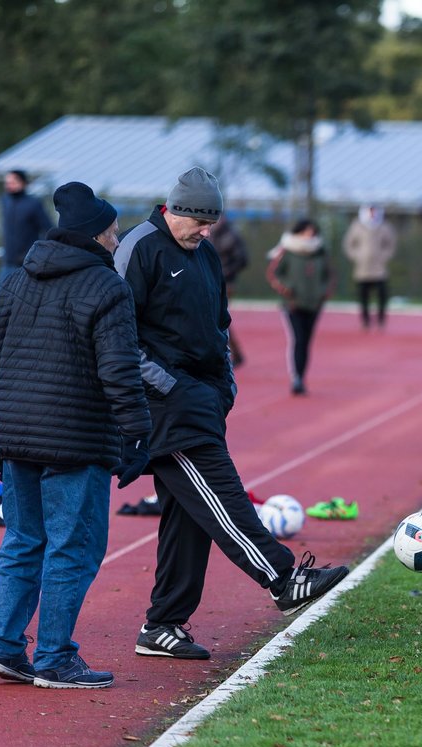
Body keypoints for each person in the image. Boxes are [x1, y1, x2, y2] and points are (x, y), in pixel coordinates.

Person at [116, 167, 349, 661]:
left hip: (202, 398)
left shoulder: (203, 255)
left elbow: (221, 325)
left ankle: (162, 625)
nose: (207, 233)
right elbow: (119, 337)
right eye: (201, 223)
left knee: (190, 516)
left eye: (213, 224)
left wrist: (223, 385)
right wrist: (172, 386)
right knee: (221, 491)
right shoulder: (139, 248)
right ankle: (284, 579)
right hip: (163, 405)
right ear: (176, 211)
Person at [0, 181, 151, 689]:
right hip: (77, 443)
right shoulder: (107, 288)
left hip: (17, 440)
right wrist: (137, 436)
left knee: (21, 541)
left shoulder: (16, 282)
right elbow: (120, 372)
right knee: (73, 547)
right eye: (115, 234)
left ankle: (5, 649)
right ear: (96, 236)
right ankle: (53, 658)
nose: (118, 243)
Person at [266, 218, 335, 396]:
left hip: (314, 304)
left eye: (312, 232)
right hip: (293, 304)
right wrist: (286, 289)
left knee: (306, 342)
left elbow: (330, 275)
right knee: (297, 339)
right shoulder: (286, 250)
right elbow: (273, 273)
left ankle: (302, 377)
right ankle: (295, 378)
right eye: (305, 231)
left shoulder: (321, 251)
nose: (309, 235)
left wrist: (324, 293)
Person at [342, 204, 398, 330]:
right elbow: (349, 244)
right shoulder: (357, 226)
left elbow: (390, 244)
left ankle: (381, 319)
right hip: (362, 268)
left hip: (379, 268)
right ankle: (365, 320)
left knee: (382, 294)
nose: (372, 213)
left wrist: (384, 257)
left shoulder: (384, 226)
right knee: (363, 295)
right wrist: (357, 256)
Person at [0, 170, 53, 286]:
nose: (8, 185)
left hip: (28, 264)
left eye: (12, 182)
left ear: (23, 183)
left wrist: (41, 254)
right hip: (7, 263)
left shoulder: (33, 204)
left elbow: (48, 229)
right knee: (2, 301)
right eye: (7, 182)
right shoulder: (5, 201)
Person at [208, 216, 249, 366]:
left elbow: (242, 259)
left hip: (226, 282)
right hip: (210, 279)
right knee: (216, 316)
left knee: (217, 316)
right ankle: (235, 353)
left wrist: (225, 272)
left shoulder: (231, 235)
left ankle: (232, 353)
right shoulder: (207, 233)